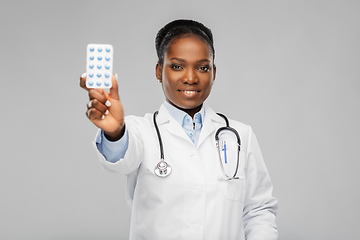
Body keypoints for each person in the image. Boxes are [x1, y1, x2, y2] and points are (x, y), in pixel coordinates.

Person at [80, 19, 278, 240]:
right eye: (177, 66)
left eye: (203, 67)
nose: (191, 78)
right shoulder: (140, 131)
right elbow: (121, 157)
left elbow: (258, 211)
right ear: (158, 71)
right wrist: (115, 132)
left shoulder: (240, 135)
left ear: (214, 72)